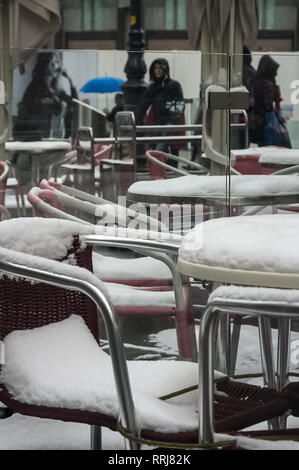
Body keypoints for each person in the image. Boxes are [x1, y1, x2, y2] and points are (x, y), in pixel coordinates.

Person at [136, 58, 185, 167]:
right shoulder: (153, 88)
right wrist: (136, 120)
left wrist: (173, 121)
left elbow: (179, 104)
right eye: (155, 68)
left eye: (160, 68)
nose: (157, 70)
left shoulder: (173, 85)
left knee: (167, 151)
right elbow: (143, 105)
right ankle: (162, 173)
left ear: (165, 69)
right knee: (163, 151)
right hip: (157, 125)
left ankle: (162, 169)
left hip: (170, 125)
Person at [249, 54, 291, 147]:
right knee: (268, 146)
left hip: (255, 121)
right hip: (265, 122)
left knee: (262, 147)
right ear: (269, 70)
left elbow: (252, 101)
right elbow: (268, 106)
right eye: (275, 71)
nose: (276, 74)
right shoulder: (268, 84)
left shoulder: (254, 82)